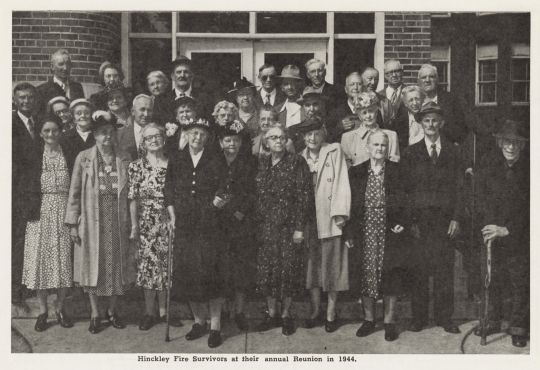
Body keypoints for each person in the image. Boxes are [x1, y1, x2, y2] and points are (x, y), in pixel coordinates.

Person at [65, 115, 135, 334]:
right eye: (103, 132)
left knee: (116, 267)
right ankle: (95, 313)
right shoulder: (84, 158)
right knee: (91, 266)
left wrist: (134, 223)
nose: (107, 136)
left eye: (111, 131)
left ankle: (112, 311)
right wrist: (73, 224)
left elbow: (133, 194)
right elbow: (74, 193)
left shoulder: (124, 157)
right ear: (94, 135)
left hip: (117, 220)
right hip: (91, 222)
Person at [163, 117, 227, 348]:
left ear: (207, 138)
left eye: (202, 134)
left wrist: (218, 200)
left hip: (209, 223)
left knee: (210, 272)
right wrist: (172, 215)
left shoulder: (214, 159)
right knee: (189, 272)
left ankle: (216, 326)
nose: (197, 137)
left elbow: (224, 186)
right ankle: (199, 321)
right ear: (186, 135)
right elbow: (168, 188)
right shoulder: (178, 159)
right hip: (184, 224)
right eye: (193, 133)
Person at [401, 102, 463, 335]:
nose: (431, 124)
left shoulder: (454, 151)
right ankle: (419, 318)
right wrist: (411, 222)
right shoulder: (411, 153)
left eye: (435, 120)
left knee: (444, 270)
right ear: (420, 123)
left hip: (445, 221)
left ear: (442, 123)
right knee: (419, 270)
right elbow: (405, 190)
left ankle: (445, 318)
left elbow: (460, 188)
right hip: (420, 221)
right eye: (426, 120)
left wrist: (457, 218)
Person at [344, 129, 409, 342]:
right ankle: (369, 319)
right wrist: (350, 232)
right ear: (367, 147)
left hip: (390, 230)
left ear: (388, 148)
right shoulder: (356, 172)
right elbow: (350, 204)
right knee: (366, 274)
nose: (379, 149)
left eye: (383, 145)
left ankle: (389, 322)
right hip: (365, 230)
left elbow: (409, 200)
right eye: (376, 145)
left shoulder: (398, 171)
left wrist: (402, 223)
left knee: (391, 275)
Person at [475, 119, 530, 348]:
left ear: (522, 147)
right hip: (493, 236)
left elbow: (530, 209)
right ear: (500, 143)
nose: (510, 147)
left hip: (519, 237)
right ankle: (493, 321)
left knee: (520, 282)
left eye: (516, 143)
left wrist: (508, 230)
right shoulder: (490, 169)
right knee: (492, 279)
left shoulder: (529, 173)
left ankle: (518, 327)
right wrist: (490, 227)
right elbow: (482, 201)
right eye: (507, 142)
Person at [255, 126, 313, 336]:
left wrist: (299, 228)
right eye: (273, 137)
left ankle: (286, 315)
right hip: (265, 227)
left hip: (289, 227)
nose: (278, 141)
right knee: (267, 271)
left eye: (281, 137)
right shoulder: (260, 162)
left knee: (288, 271)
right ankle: (272, 314)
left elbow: (305, 196)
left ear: (287, 140)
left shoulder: (297, 162)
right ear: (266, 142)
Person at [297, 117, 351, 333]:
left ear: (324, 134)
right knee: (313, 266)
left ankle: (330, 312)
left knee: (331, 265)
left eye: (316, 133)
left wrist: (340, 212)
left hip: (329, 216)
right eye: (308, 134)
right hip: (309, 218)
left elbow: (342, 181)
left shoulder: (334, 151)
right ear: (303, 137)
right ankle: (315, 310)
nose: (312, 138)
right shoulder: (299, 157)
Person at [128, 123, 183, 331]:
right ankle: (149, 312)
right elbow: (132, 198)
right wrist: (134, 225)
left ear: (164, 139)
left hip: (169, 220)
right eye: (149, 137)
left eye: (157, 136)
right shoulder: (136, 166)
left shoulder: (173, 164)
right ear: (142, 143)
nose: (153, 140)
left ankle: (165, 312)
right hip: (146, 222)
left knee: (166, 266)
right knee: (147, 268)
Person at [23, 114, 74, 332]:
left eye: (55, 130)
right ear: (41, 133)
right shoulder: (34, 155)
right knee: (39, 262)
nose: (51, 134)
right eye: (47, 131)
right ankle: (43, 311)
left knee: (63, 261)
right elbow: (23, 184)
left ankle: (60, 308)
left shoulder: (69, 154)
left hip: (64, 210)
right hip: (40, 212)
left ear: (61, 132)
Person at [214, 120, 258, 331]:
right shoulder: (213, 161)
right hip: (219, 222)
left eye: (236, 140)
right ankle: (222, 310)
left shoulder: (251, 161)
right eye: (228, 140)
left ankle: (239, 311)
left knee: (241, 268)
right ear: (221, 142)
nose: (232, 143)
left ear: (241, 142)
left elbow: (254, 191)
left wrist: (242, 210)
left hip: (242, 220)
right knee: (222, 267)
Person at [12, 83, 42, 306]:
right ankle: (15, 287)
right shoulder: (9, 124)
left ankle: (30, 283)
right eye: (22, 98)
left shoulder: (41, 123)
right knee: (17, 239)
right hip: (17, 192)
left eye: (30, 97)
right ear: (15, 100)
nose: (26, 101)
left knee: (33, 239)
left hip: (37, 191)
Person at [341, 92, 400, 167]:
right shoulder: (348, 138)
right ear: (359, 116)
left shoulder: (391, 136)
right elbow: (346, 168)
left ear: (376, 112)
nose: (368, 116)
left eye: (371, 111)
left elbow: (394, 166)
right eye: (364, 113)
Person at [417, 64, 467, 145]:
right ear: (418, 81)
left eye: (431, 77)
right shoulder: (413, 101)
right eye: (423, 77)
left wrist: (454, 144)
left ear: (437, 79)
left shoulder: (451, 100)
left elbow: (462, 127)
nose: (427, 80)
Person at [327, 72, 384, 143]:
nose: (355, 88)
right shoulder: (336, 111)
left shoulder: (373, 109)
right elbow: (328, 137)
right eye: (352, 84)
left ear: (363, 88)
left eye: (359, 84)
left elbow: (381, 132)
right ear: (346, 89)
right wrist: (339, 128)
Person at [162, 56, 214, 122]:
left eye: (186, 72)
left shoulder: (204, 98)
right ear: (172, 76)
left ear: (192, 76)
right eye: (178, 72)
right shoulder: (163, 100)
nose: (182, 75)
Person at [37, 49, 85, 116]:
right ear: (52, 67)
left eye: (68, 64)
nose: (65, 68)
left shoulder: (77, 87)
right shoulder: (42, 90)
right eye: (61, 64)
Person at [59, 99, 97, 177]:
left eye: (86, 113)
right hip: (73, 177)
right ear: (73, 118)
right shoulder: (65, 137)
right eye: (78, 113)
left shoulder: (98, 134)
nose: (83, 116)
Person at [117, 94, 154, 160]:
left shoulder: (160, 133)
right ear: (133, 111)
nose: (146, 114)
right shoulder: (120, 135)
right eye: (142, 109)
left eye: (149, 110)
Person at [392, 85, 425, 152]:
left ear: (422, 100)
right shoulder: (398, 123)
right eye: (411, 100)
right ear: (405, 103)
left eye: (417, 99)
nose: (415, 103)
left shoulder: (429, 119)